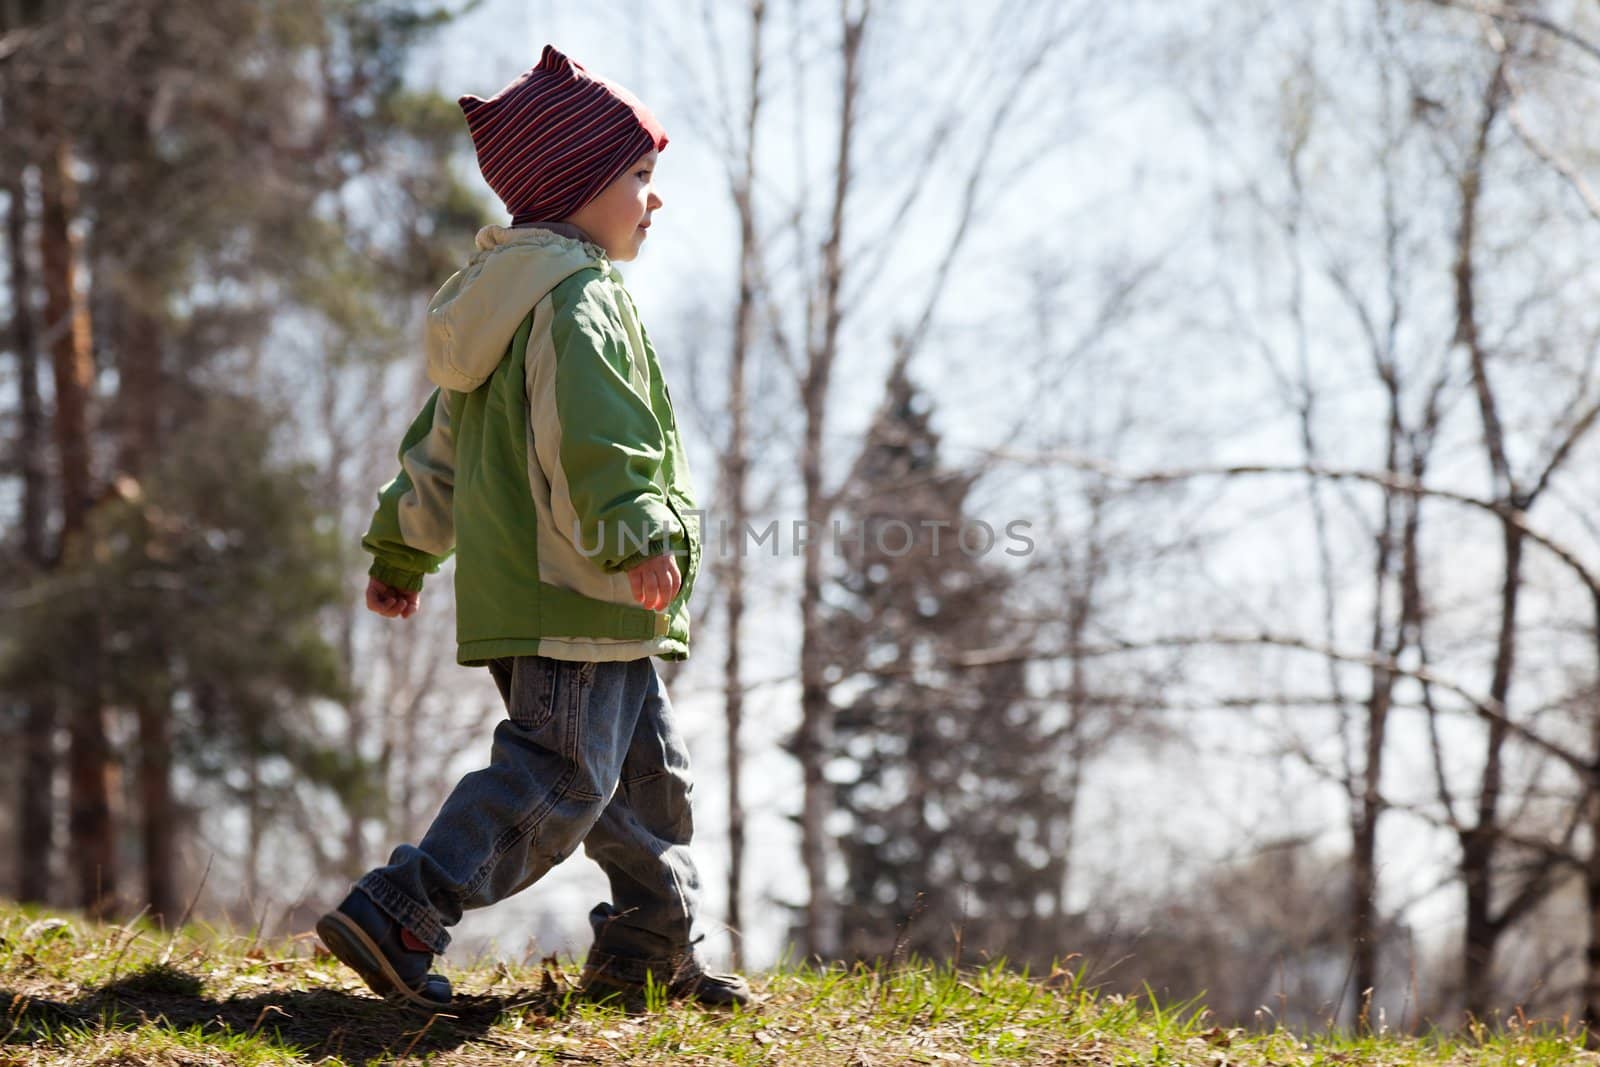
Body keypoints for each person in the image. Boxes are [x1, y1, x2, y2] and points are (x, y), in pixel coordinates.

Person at [313, 44, 749, 1012]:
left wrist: (404, 543)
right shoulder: (578, 299)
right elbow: (599, 433)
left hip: (577, 593)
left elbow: (441, 446)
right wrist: (636, 528)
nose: (653, 198)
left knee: (644, 787)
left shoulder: (502, 309)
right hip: (579, 584)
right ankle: (404, 908)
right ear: (577, 186)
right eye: (639, 176)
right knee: (560, 776)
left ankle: (648, 950)